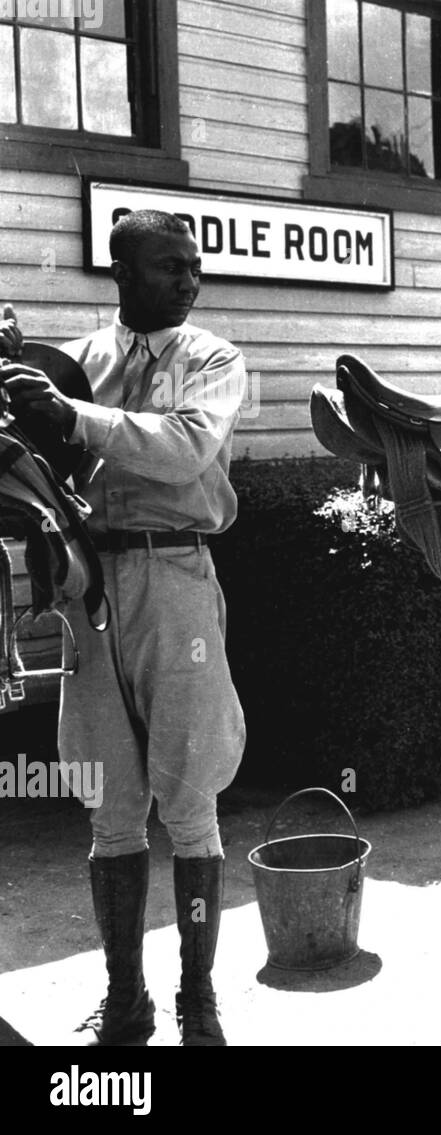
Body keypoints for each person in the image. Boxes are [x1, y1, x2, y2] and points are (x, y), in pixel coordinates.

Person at [0, 210, 247, 1044]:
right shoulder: (76, 363)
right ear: (121, 275)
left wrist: (69, 416)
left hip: (177, 576)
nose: (188, 281)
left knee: (191, 798)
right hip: (88, 582)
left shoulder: (211, 358)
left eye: (193, 267)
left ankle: (199, 997)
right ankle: (126, 996)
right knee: (108, 799)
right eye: (169, 266)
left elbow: (183, 448)